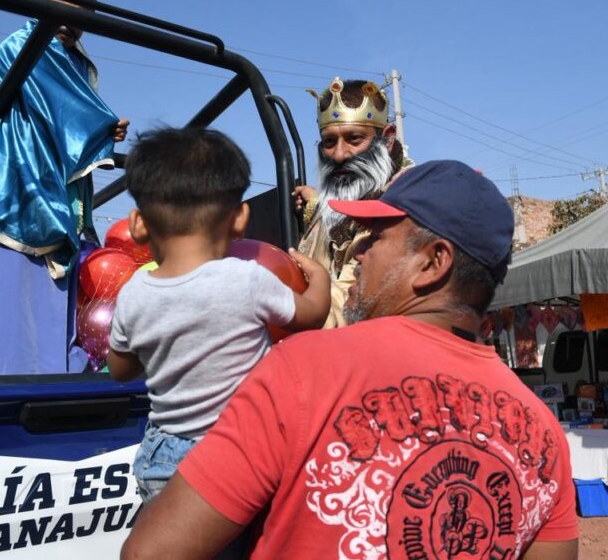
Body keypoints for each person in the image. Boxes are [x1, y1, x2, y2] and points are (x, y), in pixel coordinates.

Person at [124, 160, 579, 560]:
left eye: (377, 237)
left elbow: (153, 552)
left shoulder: (304, 369)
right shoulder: (544, 434)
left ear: (432, 263)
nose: (358, 250)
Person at [106, 126, 331, 503]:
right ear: (240, 219)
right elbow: (312, 316)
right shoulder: (248, 280)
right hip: (237, 451)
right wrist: (319, 278)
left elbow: (120, 370)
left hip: (162, 458)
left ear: (138, 224)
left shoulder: (133, 293)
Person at [0, 0, 129, 375]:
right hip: (19, 177)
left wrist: (106, 131)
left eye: (82, 14)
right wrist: (101, 126)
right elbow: (59, 105)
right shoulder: (21, 45)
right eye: (62, 7)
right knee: (8, 283)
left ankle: (53, 369)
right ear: (43, 3)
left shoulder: (78, 63)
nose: (70, 19)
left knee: (55, 289)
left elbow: (73, 116)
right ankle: (3, 372)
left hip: (60, 182)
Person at [293, 76, 412, 328]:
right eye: (329, 142)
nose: (339, 155)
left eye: (354, 139)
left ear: (388, 139)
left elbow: (349, 303)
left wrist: (278, 309)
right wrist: (316, 203)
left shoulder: (402, 204)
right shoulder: (330, 204)